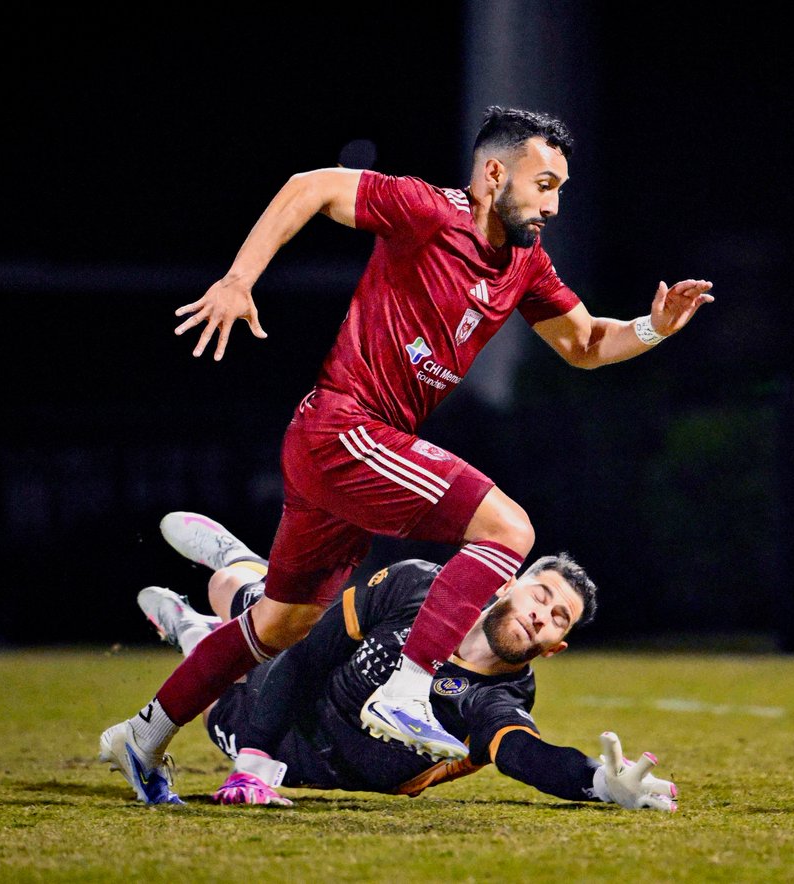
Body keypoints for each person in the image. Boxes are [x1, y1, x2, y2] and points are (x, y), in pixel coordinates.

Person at [99, 106, 713, 804]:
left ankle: (142, 738)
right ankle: (409, 687)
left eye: (561, 188)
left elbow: (584, 343)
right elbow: (309, 186)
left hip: (350, 451)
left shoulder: (524, 263)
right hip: (345, 427)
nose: (554, 204)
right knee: (509, 529)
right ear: (493, 173)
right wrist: (240, 279)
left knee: (278, 625)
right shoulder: (429, 211)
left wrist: (653, 328)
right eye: (544, 184)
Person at [127, 511, 678, 811]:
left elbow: (524, 755)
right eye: (541, 596)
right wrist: (252, 762)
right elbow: (309, 655)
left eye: (559, 617)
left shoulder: (499, 697)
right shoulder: (417, 586)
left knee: (211, 691)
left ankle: (191, 629)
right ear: (507, 585)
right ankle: (241, 570)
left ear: (555, 647)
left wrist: (597, 783)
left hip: (314, 766)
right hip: (302, 689)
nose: (542, 615)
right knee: (252, 608)